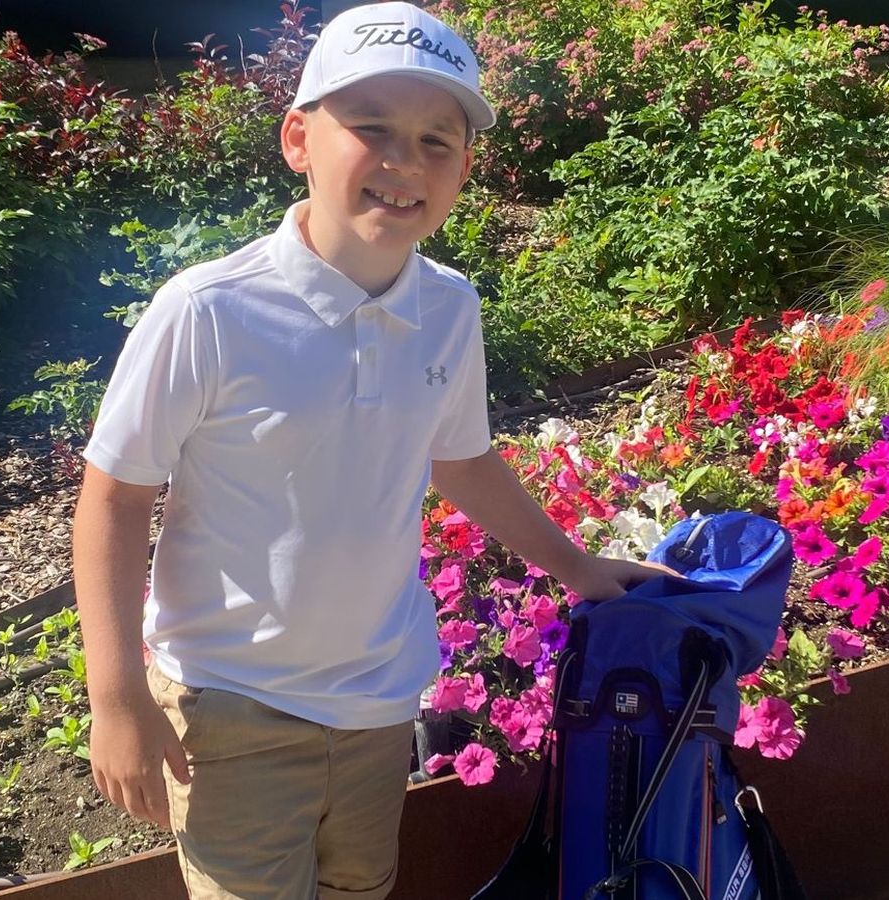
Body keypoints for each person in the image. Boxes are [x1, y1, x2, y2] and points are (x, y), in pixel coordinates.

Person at [72, 4, 670, 898]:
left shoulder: (449, 307)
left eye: (437, 140)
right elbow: (115, 496)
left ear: (463, 168)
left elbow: (460, 459)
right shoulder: (209, 311)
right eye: (373, 127)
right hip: (230, 708)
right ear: (298, 140)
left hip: (378, 705)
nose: (405, 162)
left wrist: (577, 568)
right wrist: (117, 699)